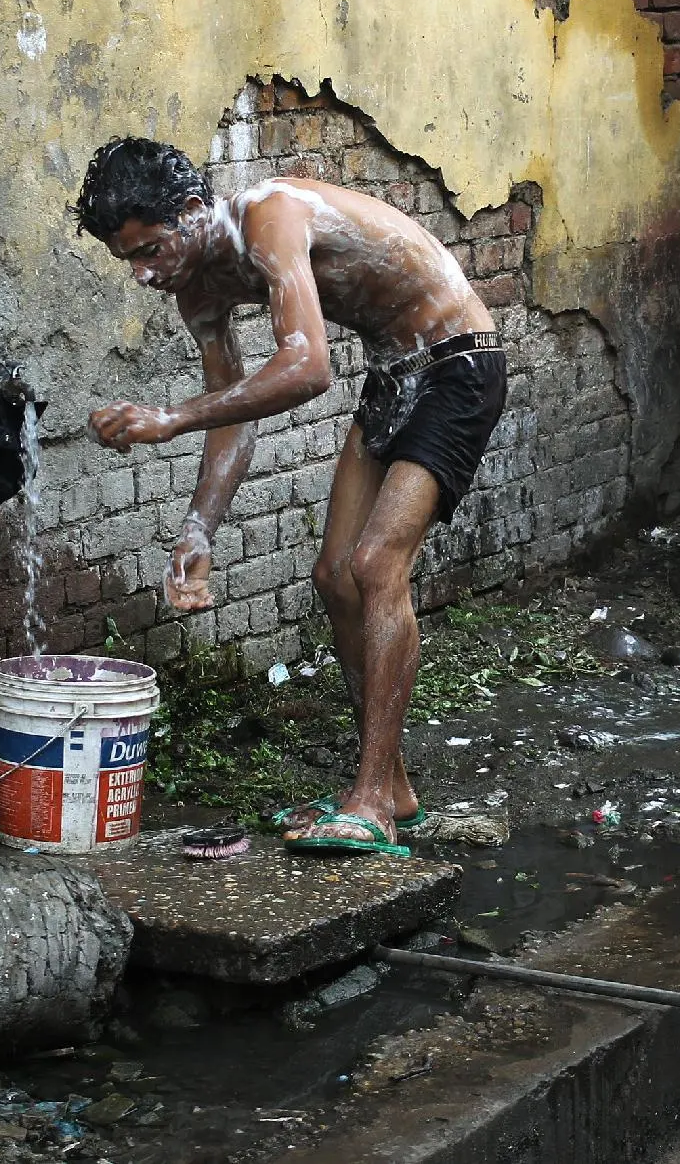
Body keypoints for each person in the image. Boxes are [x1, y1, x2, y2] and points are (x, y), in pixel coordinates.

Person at [74, 138, 507, 857]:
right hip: (397, 373)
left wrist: (172, 416)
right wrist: (198, 532)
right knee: (334, 576)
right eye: (130, 260)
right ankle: (390, 785)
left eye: (151, 248)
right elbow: (234, 415)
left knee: (375, 566)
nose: (144, 273)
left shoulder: (269, 215)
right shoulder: (197, 291)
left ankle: (370, 801)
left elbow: (307, 366)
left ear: (189, 210)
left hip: (458, 362)